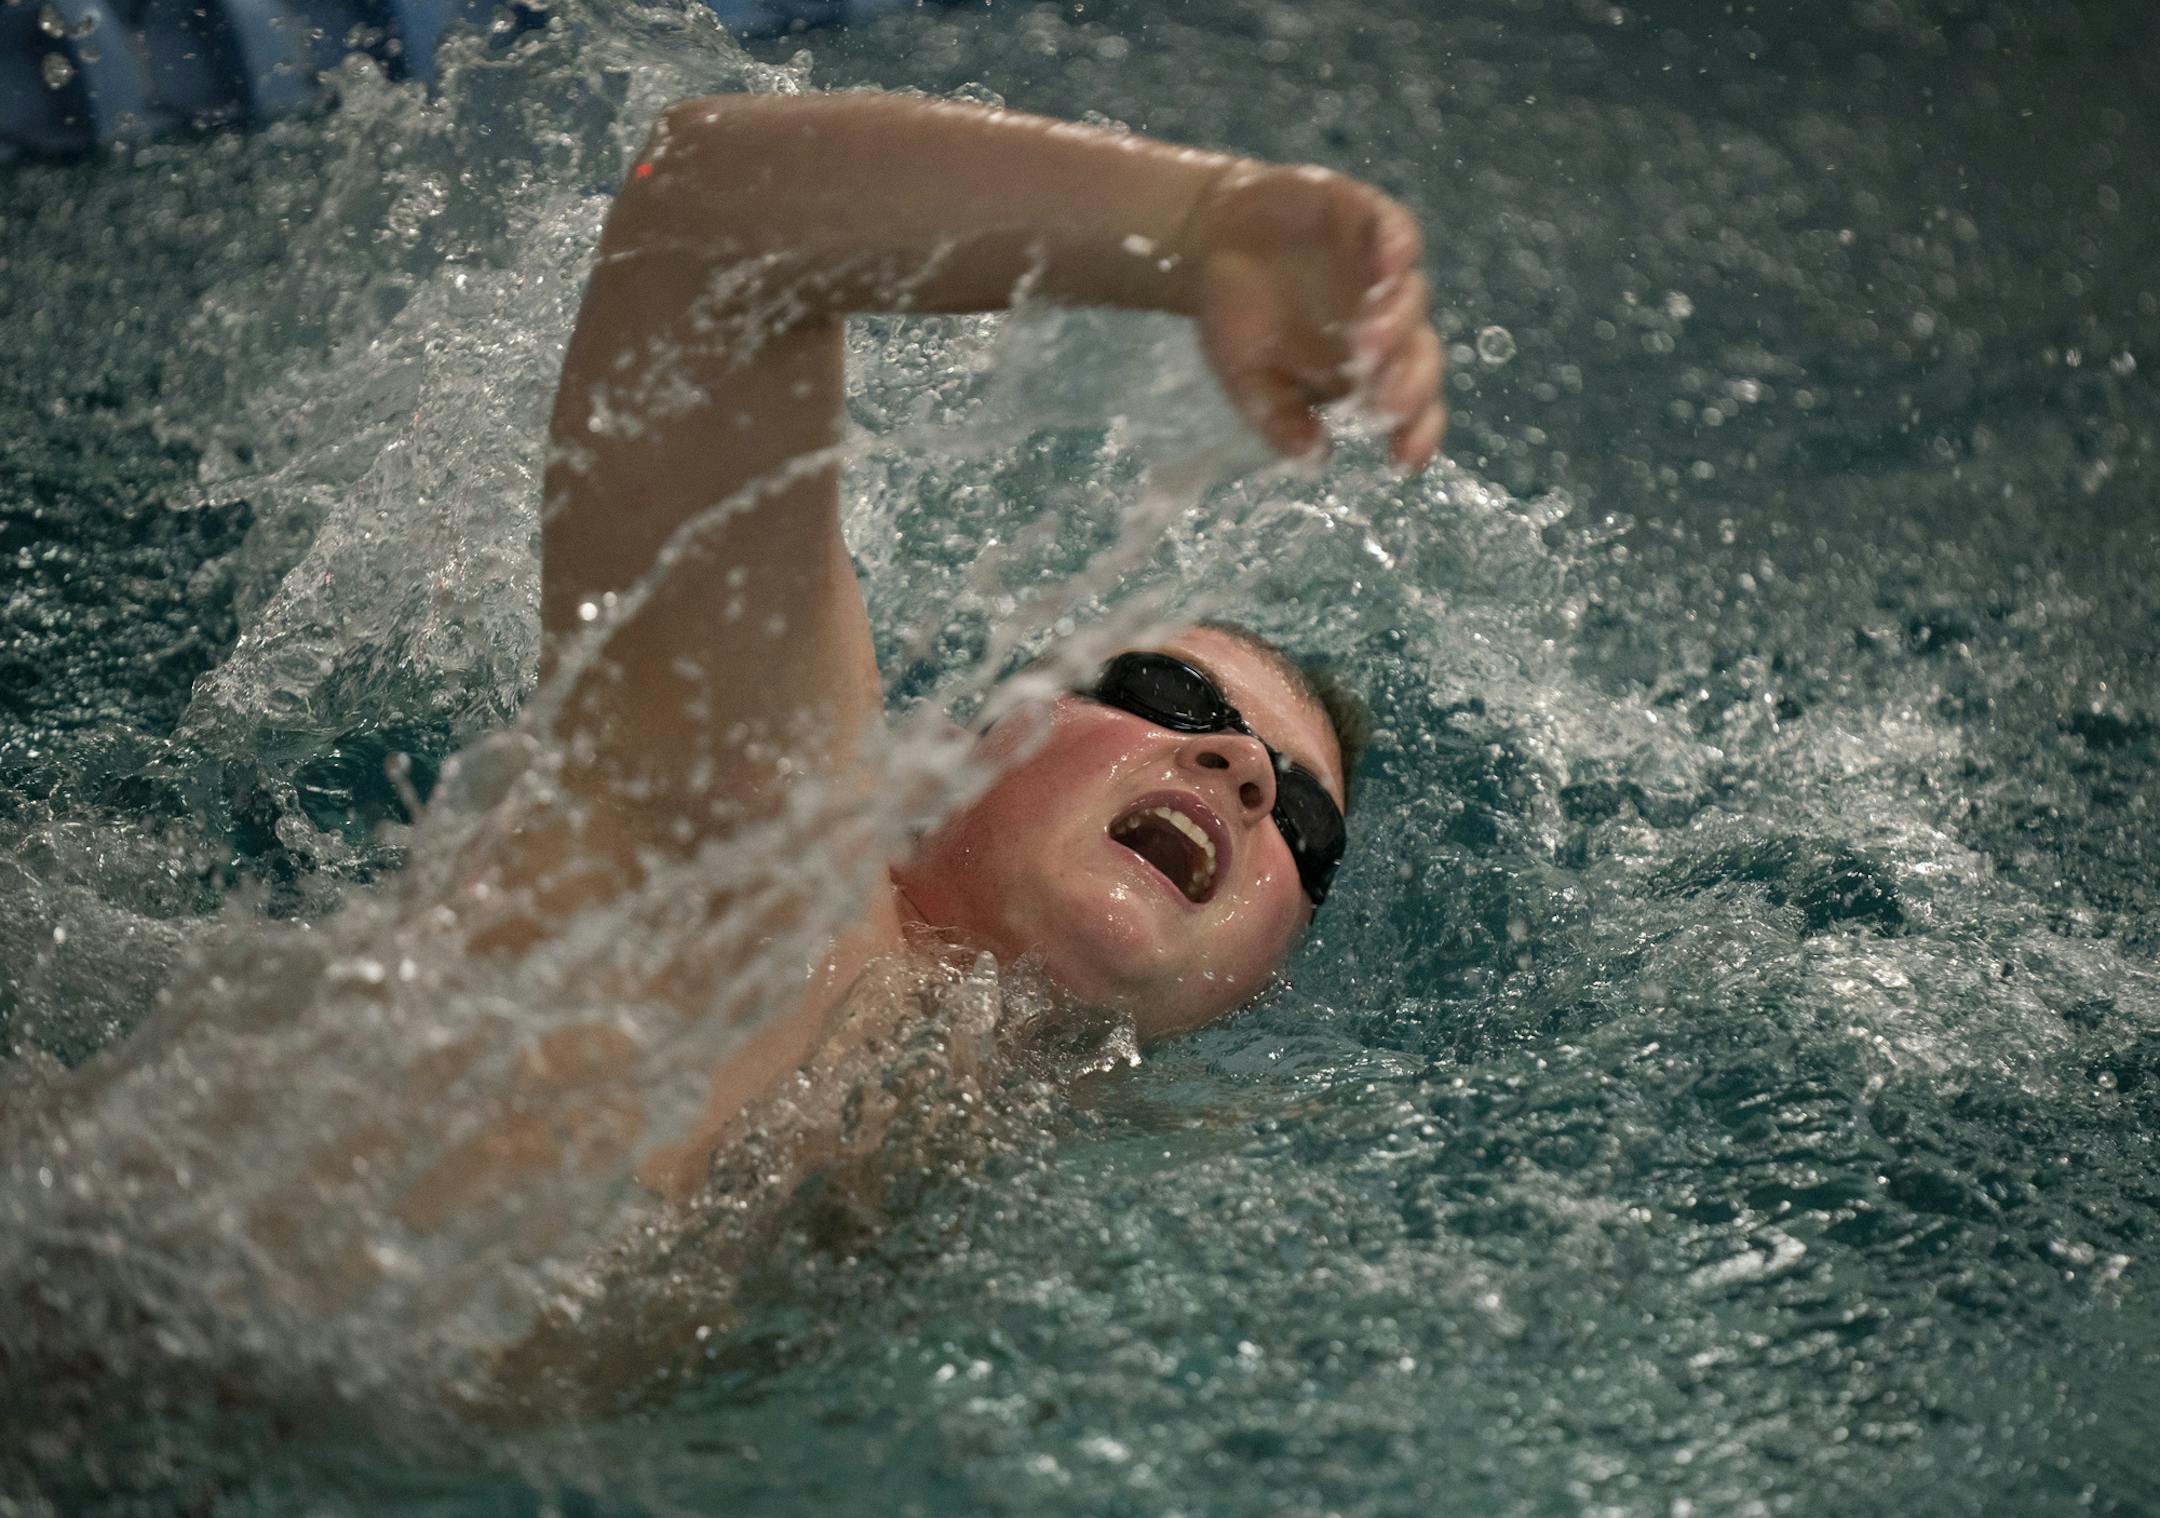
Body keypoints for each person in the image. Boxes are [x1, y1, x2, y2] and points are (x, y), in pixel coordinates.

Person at [469, 87, 1445, 1209]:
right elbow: (709, 217)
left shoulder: (1001, 1196)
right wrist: (1195, 227)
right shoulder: (748, 854)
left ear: (1252, 994)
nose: (1249, 773)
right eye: (1169, 695)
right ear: (929, 761)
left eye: (1309, 829)